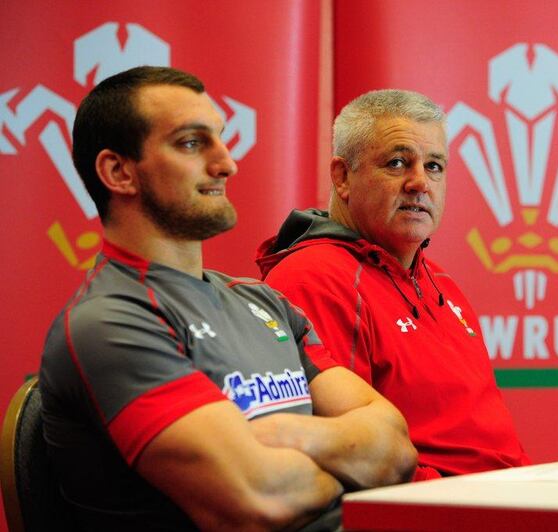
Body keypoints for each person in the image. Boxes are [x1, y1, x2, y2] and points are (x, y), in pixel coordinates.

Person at [39, 67, 417, 531]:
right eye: (192, 143)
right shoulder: (110, 321)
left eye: (219, 138)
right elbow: (257, 500)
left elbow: (396, 450)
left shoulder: (262, 302)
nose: (226, 163)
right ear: (118, 172)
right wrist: (348, 462)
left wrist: (282, 434)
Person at [256, 89, 530, 481]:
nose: (420, 182)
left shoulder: (443, 283)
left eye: (434, 166)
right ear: (342, 176)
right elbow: (348, 457)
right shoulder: (314, 278)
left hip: (513, 498)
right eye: (398, 163)